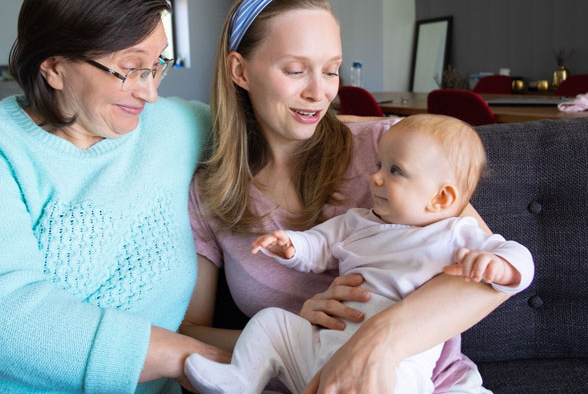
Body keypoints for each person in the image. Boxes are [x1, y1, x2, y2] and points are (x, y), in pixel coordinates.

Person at [0, 0, 228, 393]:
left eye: (158, 64)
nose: (150, 90)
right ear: (54, 68)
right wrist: (193, 358)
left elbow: (270, 131)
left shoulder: (173, 127)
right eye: (130, 67)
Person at [179, 0, 513, 394]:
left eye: (332, 70)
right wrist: (299, 330)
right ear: (240, 71)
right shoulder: (210, 192)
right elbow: (191, 330)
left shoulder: (391, 150)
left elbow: (489, 278)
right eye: (296, 70)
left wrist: (375, 343)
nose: (320, 93)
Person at [183, 114, 534, 394]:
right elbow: (318, 245)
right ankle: (242, 380)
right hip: (323, 347)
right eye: (379, 165)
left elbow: (519, 257)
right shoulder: (357, 222)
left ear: (440, 199)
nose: (376, 178)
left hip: (399, 361)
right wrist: (291, 246)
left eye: (394, 171)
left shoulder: (454, 233)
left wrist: (500, 265)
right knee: (271, 323)